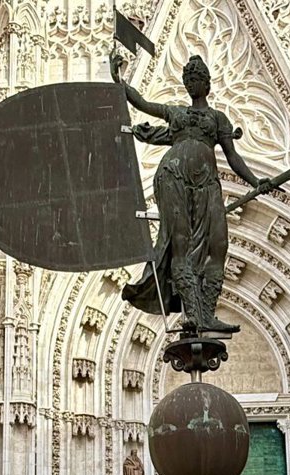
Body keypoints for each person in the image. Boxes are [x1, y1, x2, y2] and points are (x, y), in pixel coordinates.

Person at [109, 53, 270, 334]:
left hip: (207, 182)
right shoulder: (176, 113)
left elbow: (232, 156)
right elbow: (143, 104)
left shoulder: (218, 119)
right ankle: (193, 313)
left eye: (197, 79)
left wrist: (255, 181)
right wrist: (119, 81)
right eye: (188, 80)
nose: (192, 83)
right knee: (179, 243)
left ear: (207, 84)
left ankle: (207, 313)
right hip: (173, 175)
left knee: (219, 244)